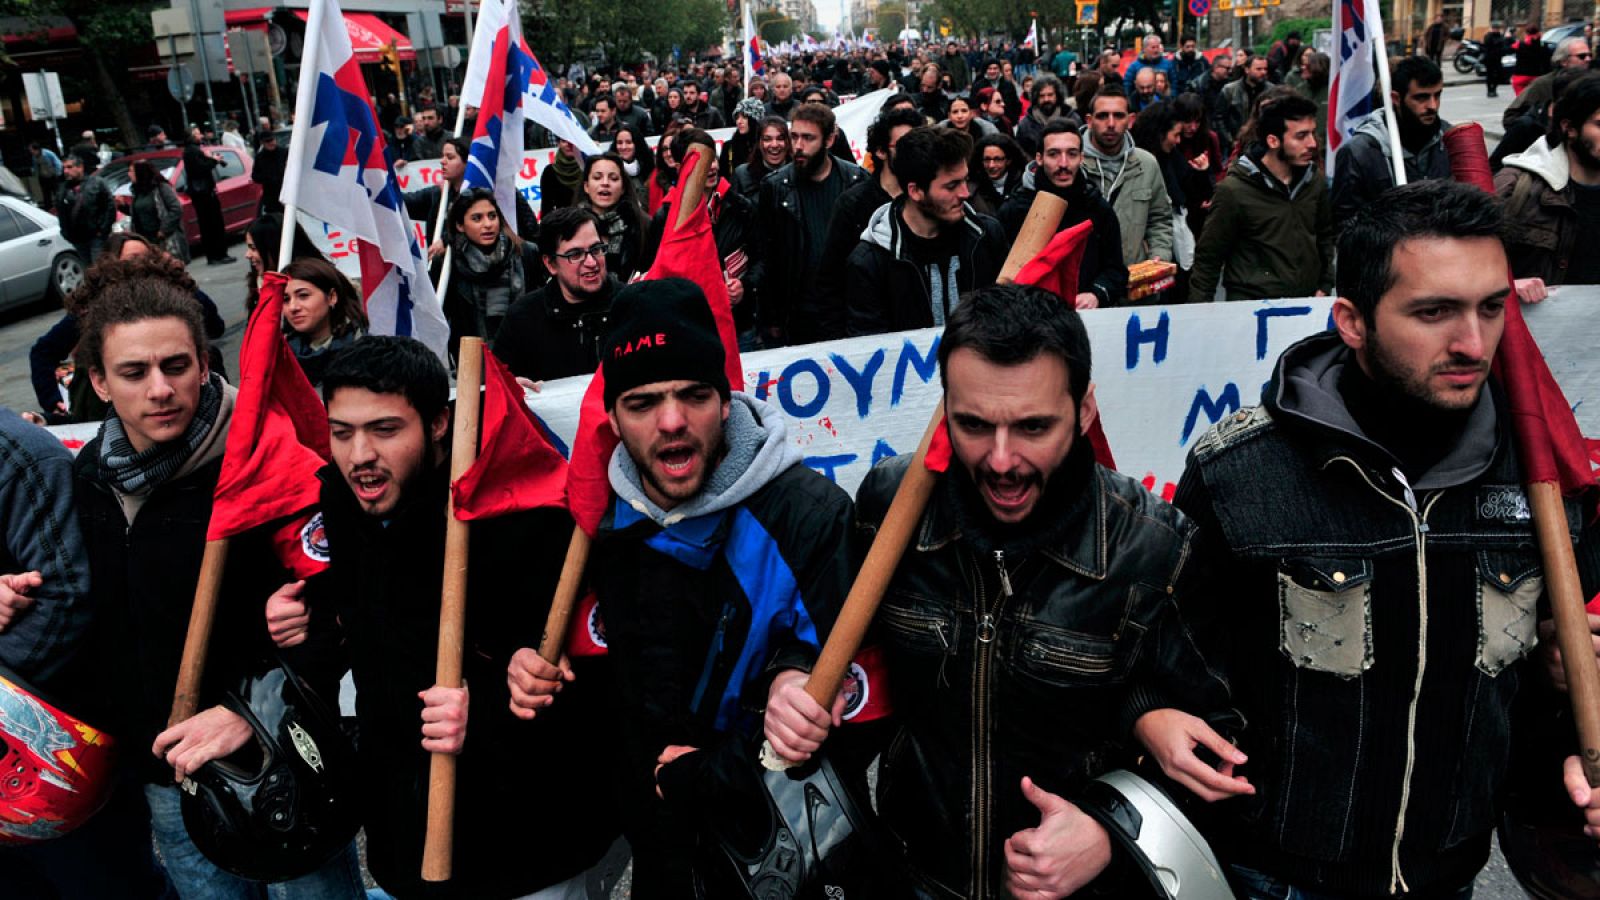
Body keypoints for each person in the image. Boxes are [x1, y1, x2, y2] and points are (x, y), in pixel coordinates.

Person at [1164, 177, 1600, 900]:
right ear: (1353, 321)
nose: (1472, 343)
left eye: (1491, 308)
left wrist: (1569, 737)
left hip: (1451, 872)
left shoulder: (1543, 481)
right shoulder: (1241, 473)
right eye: (1434, 312)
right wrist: (1152, 716)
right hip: (1277, 876)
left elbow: (1542, 689)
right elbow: (1169, 657)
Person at [840, 283, 1240, 899]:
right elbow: (844, 661)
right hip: (912, 877)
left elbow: (1224, 745)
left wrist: (1112, 830)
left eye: (1033, 427)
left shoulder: (1155, 549)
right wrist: (794, 678)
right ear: (944, 410)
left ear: (1084, 411)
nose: (1002, 461)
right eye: (974, 425)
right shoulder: (890, 509)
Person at [519, 278, 854, 895]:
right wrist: (529, 667)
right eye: (642, 402)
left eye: (694, 395)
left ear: (725, 401)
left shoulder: (810, 516)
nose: (672, 422)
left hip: (775, 851)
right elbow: (590, 668)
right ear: (612, 417)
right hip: (657, 849)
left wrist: (728, 758)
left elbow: (855, 699)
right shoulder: (594, 523)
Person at [280, 336, 626, 898]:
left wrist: (486, 708)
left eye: (385, 430)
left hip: (527, 843)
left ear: (439, 423)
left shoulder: (521, 515)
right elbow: (356, 627)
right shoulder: (342, 504)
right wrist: (298, 625)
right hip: (407, 834)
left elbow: (587, 681)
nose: (359, 454)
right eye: (342, 432)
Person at [70, 258, 365, 898]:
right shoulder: (90, 475)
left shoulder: (264, 462)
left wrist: (248, 711)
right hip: (168, 772)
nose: (160, 389)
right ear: (98, 382)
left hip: (280, 760)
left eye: (176, 366)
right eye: (134, 372)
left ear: (205, 365)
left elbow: (350, 607)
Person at [842, 126, 1007, 336]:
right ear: (916, 191)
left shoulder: (985, 236)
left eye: (965, 180)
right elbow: (872, 345)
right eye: (952, 186)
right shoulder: (871, 262)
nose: (965, 193)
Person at [1188, 94, 1333, 303]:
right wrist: (1200, 313)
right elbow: (1209, 258)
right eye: (1301, 136)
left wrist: (1325, 284)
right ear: (1273, 140)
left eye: (1312, 133)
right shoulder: (1234, 191)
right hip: (1252, 308)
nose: (1312, 143)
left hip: (1307, 304)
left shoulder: (1314, 181)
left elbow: (1325, 236)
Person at [757, 102, 869, 345]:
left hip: (847, 311)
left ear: (829, 140)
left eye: (808, 138)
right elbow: (767, 257)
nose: (798, 146)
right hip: (798, 315)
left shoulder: (857, 181)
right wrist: (772, 319)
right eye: (794, 136)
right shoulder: (775, 187)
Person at [809, 106, 925, 340]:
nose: (915, 152)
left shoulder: (926, 199)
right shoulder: (853, 204)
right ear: (881, 151)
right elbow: (830, 280)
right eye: (904, 145)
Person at [641, 130, 760, 349]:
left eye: (713, 159)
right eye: (702, 162)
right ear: (680, 167)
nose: (711, 167)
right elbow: (652, 273)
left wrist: (745, 285)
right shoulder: (664, 217)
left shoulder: (741, 207)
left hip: (739, 328)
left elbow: (761, 259)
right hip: (687, 331)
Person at [999, 119, 1128, 307]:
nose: (1063, 163)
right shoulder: (1015, 209)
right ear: (1039, 158)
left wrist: (1096, 294)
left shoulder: (1098, 208)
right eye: (1054, 154)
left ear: (1081, 158)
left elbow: (1116, 270)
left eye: (1072, 154)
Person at [1496, 73, 1600, 293]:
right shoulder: (1517, 187)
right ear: (1569, 128)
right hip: (1543, 315)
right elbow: (1467, 267)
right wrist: (1509, 286)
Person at [495, 207, 621, 382]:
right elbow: (496, 384)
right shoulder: (522, 318)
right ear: (551, 264)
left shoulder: (631, 307)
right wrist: (510, 387)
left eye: (596, 249)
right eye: (575, 254)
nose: (591, 262)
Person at [1332, 57, 1452, 229]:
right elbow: (1346, 224)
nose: (1432, 105)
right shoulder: (1360, 152)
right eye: (1421, 97)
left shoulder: (1450, 139)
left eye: (1437, 95)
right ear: (1396, 98)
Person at [1081, 85, 1175, 267]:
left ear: (1131, 120)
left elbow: (1160, 218)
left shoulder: (1146, 164)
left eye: (1118, 115)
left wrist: (1159, 255)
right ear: (1090, 121)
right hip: (1084, 279)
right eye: (1102, 116)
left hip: (1133, 275)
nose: (1111, 123)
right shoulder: (1071, 164)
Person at [443, 188, 541, 357]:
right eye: (477, 218)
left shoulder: (526, 253)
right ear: (460, 225)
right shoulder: (448, 264)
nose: (488, 224)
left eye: (492, 216)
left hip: (525, 354)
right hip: (473, 360)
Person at [280, 256, 368, 387]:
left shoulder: (365, 349)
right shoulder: (279, 354)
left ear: (332, 297)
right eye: (286, 299)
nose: (293, 307)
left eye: (303, 296)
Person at [578, 152, 647, 282]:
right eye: (597, 178)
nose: (605, 183)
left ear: (623, 188)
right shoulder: (572, 226)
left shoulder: (643, 225)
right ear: (586, 186)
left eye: (613, 178)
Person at [1502, 36, 1593, 129]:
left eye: (1590, 55)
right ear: (1564, 61)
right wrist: (1544, 130)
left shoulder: (1593, 82)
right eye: (1582, 56)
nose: (1588, 59)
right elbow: (1510, 117)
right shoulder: (1544, 84)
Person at [181, 129, 236, 265]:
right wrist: (214, 161)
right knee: (214, 224)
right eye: (197, 134)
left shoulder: (192, 151)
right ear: (192, 137)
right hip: (204, 193)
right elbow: (200, 169)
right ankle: (219, 254)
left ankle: (213, 255)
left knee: (207, 225)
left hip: (202, 193)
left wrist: (211, 159)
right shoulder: (192, 151)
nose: (201, 135)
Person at [54, 150, 114, 263]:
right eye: (64, 168)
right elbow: (61, 213)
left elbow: (109, 207)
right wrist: (66, 233)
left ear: (80, 167)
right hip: (78, 239)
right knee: (88, 267)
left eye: (69, 167)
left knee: (99, 266)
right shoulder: (62, 189)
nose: (66, 171)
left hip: (96, 236)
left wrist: (103, 230)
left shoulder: (96, 183)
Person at [126, 160, 183, 258]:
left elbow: (176, 209)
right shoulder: (137, 192)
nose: (128, 174)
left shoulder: (161, 188)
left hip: (162, 239)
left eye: (131, 171)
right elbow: (140, 212)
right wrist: (122, 206)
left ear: (140, 172)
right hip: (146, 240)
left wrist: (164, 230)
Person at [1219, 53, 1270, 154]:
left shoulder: (1272, 91)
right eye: (1259, 69)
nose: (1263, 72)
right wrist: (1230, 141)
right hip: (1236, 145)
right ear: (1247, 70)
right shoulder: (1230, 90)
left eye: (1265, 69)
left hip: (1263, 145)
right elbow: (1219, 119)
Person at [1014, 73, 1077, 155]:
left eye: (1050, 95)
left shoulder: (1072, 119)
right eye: (1042, 96)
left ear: (1057, 95)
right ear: (1036, 98)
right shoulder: (1025, 125)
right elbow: (1020, 154)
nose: (1046, 99)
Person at [968, 131, 1027, 217]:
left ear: (1008, 161)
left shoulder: (1023, 185)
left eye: (997, 159)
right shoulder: (972, 190)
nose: (991, 165)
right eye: (987, 159)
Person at [252, 129, 287, 214]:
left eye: (272, 140)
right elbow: (255, 176)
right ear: (262, 143)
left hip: (286, 193)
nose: (271, 143)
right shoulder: (260, 157)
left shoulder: (284, 152)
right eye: (268, 141)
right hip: (271, 197)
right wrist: (267, 178)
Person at [1513, 23, 1552, 96]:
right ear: (1539, 33)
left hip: (1520, 76)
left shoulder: (1519, 45)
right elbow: (1547, 62)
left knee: (1520, 97)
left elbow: (1507, 49)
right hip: (1536, 76)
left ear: (1526, 33)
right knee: (1535, 96)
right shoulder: (1543, 46)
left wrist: (1508, 38)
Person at [30, 141, 61, 208]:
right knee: (46, 195)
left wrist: (57, 174)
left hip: (52, 176)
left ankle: (60, 207)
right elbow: (35, 167)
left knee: (56, 193)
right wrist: (36, 175)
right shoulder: (34, 157)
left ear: (37, 149)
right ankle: (49, 208)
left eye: (32, 150)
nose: (31, 152)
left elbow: (57, 163)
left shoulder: (48, 154)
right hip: (43, 177)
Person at [1484, 20, 1509, 97]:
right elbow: (1489, 43)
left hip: (1498, 58)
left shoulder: (1501, 36)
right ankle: (1489, 91)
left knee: (1498, 75)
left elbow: (1504, 45)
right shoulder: (1488, 36)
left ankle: (1494, 89)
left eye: (1497, 28)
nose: (1496, 30)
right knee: (1489, 75)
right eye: (1494, 28)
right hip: (1489, 58)